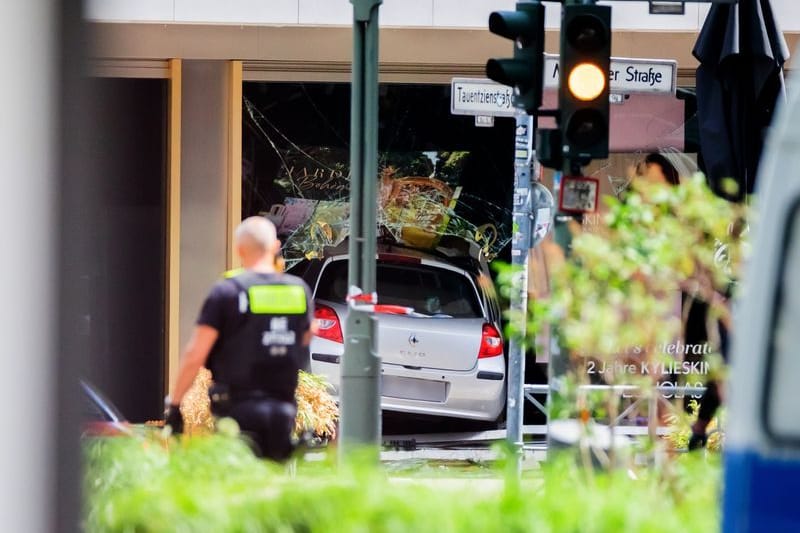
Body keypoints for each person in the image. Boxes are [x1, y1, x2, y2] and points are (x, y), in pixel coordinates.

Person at [164, 216, 317, 461]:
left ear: (239, 250)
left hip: (236, 410)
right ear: (276, 247)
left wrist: (175, 404)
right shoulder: (298, 290)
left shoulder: (228, 291)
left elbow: (196, 353)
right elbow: (308, 335)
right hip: (283, 409)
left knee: (238, 483)